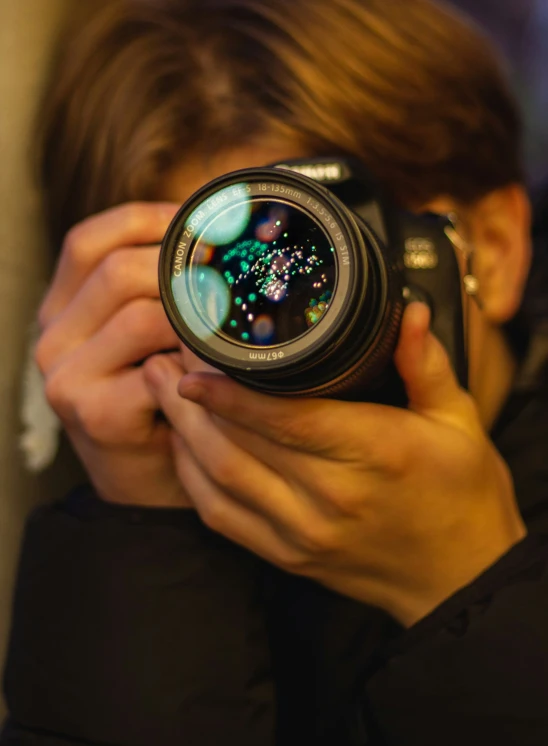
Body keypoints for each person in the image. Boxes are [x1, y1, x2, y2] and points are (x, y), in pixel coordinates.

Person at [3, 0, 548, 744]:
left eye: (325, 254)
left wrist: (470, 581)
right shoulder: (176, 489)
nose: (291, 326)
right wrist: (141, 522)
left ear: (493, 246)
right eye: (224, 283)